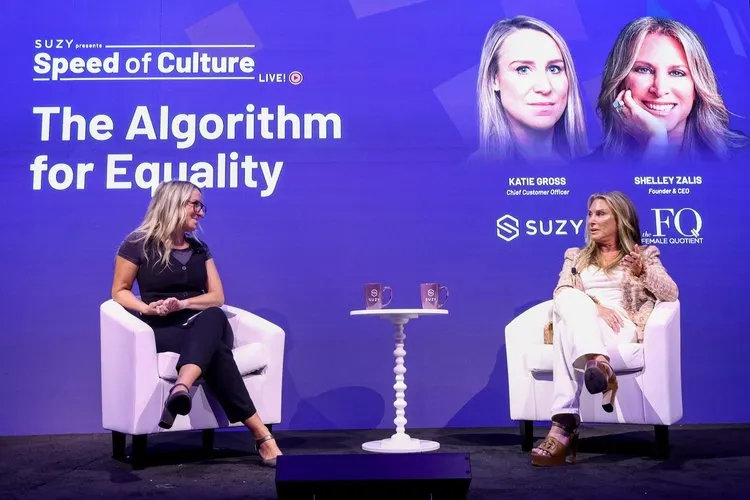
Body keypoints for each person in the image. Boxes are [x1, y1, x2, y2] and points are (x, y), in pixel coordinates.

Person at [111, 180, 283, 468]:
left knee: (213, 318)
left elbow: (217, 297)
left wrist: (184, 303)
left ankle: (181, 388)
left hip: (203, 321)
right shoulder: (137, 243)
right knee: (216, 353)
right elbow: (119, 291)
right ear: (174, 204)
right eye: (196, 204)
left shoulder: (199, 248)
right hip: (164, 329)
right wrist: (147, 309)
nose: (201, 212)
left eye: (201, 206)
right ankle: (262, 437)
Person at [531, 191, 678, 467]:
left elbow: (671, 293)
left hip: (621, 325)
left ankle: (564, 422)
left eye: (600, 214)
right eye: (590, 214)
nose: (591, 221)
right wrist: (594, 307)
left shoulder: (643, 255)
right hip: (586, 319)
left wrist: (643, 272)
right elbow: (562, 290)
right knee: (566, 301)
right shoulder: (575, 257)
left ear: (620, 219)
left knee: (566, 327)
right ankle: (599, 363)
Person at [592, 16, 748, 163]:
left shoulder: (743, 156)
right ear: (620, 81)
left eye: (677, 73)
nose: (659, 89)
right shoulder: (591, 166)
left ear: (697, 87)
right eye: (644, 70)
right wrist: (656, 146)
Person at [477, 15, 588, 163]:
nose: (545, 87)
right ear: (493, 80)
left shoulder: (594, 167)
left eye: (554, 69)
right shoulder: (470, 175)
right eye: (523, 69)